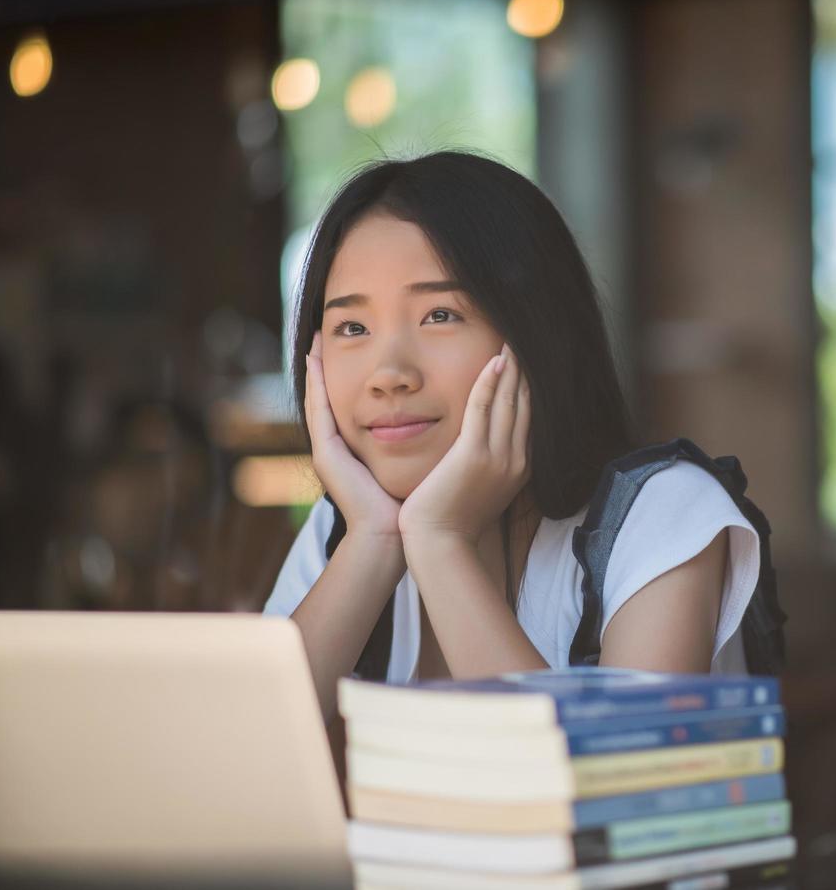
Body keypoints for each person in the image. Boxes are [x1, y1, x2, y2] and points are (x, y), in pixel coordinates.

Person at [264, 152, 766, 725]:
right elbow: (239, 772)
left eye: (440, 315)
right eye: (352, 328)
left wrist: (439, 542)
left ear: (537, 334)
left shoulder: (664, 514)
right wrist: (375, 540)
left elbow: (607, 801)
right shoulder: (348, 525)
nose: (388, 374)